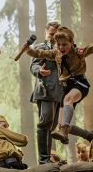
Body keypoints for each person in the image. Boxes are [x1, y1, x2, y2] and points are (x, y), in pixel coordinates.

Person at [23, 26, 93, 144]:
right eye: (59, 44)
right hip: (66, 88)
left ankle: (64, 131)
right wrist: (28, 50)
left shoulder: (78, 52)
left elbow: (91, 47)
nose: (61, 47)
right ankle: (88, 135)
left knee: (67, 99)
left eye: (64, 44)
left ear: (71, 43)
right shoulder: (56, 53)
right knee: (62, 126)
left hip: (80, 84)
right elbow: (40, 53)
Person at [30, 21, 64, 164]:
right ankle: (43, 159)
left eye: (56, 34)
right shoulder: (41, 47)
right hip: (44, 90)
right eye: (51, 34)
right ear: (45, 33)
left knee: (52, 125)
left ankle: (47, 157)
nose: (53, 36)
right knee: (45, 122)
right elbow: (34, 65)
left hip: (59, 92)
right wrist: (40, 71)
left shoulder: (62, 50)